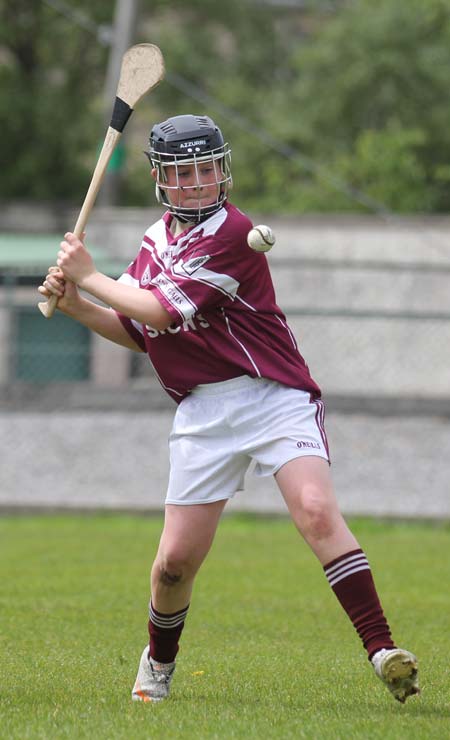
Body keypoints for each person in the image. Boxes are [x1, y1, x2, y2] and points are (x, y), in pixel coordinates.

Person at [39, 114, 419, 705]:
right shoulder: (153, 243)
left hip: (273, 395)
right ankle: (159, 664)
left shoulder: (232, 233)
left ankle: (382, 651)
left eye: (208, 167)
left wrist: (89, 276)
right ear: (163, 180)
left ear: (224, 168)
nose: (198, 181)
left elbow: (160, 311)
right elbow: (141, 330)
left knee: (316, 511)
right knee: (173, 565)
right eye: (184, 172)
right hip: (202, 410)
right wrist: (76, 306)